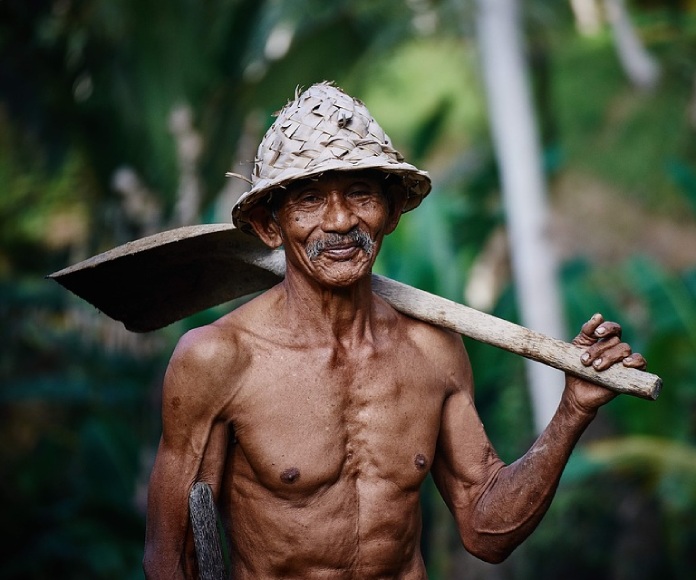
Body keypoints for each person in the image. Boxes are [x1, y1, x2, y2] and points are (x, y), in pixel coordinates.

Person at [143, 82, 647, 579]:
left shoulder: (432, 350)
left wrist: (572, 410)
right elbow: (171, 559)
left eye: (360, 193)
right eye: (310, 199)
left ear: (390, 213)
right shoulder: (221, 359)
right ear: (271, 226)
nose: (340, 220)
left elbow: (486, 530)